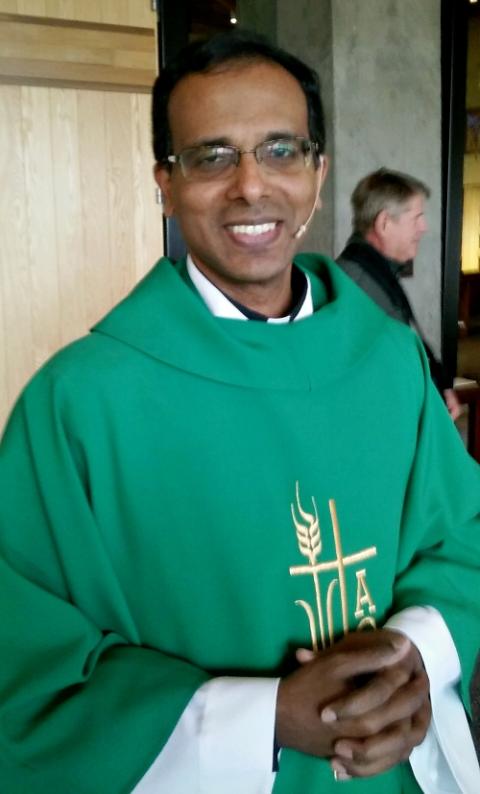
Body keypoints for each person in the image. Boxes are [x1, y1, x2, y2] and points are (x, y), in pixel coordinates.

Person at [0, 29, 479, 794]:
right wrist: (261, 718)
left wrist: (413, 656)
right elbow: (26, 667)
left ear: (319, 175)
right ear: (165, 180)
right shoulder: (79, 403)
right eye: (212, 156)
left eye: (282, 151)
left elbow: (463, 537)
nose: (252, 186)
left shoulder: (387, 361)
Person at [336, 168, 462, 419]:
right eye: (417, 217)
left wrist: (441, 384)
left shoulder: (373, 271)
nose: (424, 227)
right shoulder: (356, 285)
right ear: (384, 223)